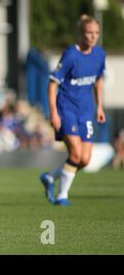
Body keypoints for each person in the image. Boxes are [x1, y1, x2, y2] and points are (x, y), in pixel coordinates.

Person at [40, 14, 106, 206]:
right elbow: (52, 84)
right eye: (89, 33)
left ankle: (51, 177)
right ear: (81, 33)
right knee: (75, 154)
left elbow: (98, 79)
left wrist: (99, 106)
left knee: (84, 160)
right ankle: (62, 197)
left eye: (96, 33)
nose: (93, 37)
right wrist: (53, 112)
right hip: (67, 109)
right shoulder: (71, 54)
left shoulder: (99, 54)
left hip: (86, 111)